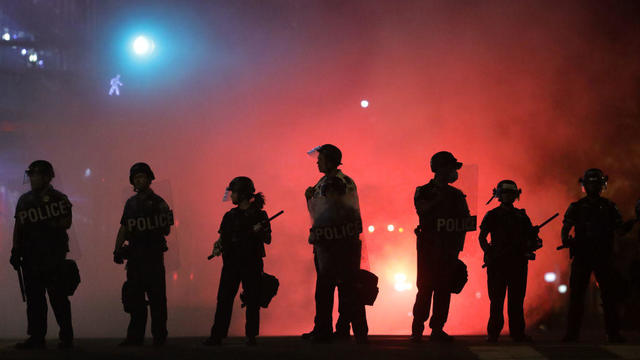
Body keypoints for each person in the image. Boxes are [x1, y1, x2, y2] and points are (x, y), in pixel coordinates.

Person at [561, 168, 636, 343]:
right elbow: (565, 228)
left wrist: (630, 224)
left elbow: (620, 230)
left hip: (602, 256)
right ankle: (573, 333)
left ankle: (612, 333)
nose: (593, 187)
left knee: (608, 297)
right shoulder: (577, 207)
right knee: (577, 297)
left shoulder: (609, 207)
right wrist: (566, 239)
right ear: (585, 185)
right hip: (583, 256)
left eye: (595, 183)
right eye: (591, 183)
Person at [10, 160, 74, 349]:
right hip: (31, 256)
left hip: (53, 255)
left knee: (58, 297)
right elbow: (18, 227)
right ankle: (37, 337)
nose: (32, 178)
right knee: (35, 300)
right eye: (31, 175)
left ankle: (66, 336)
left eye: (36, 175)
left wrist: (48, 225)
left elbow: (67, 222)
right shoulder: (24, 200)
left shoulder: (59, 198)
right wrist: (15, 249)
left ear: (46, 177)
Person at [304, 144, 362, 340]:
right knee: (336, 288)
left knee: (329, 288)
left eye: (321, 159)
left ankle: (327, 330)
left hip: (334, 244)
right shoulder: (339, 181)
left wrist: (310, 200)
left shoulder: (334, 182)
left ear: (330, 161)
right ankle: (337, 328)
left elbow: (330, 212)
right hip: (335, 242)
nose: (317, 162)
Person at [411, 151, 471, 342]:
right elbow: (422, 209)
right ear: (440, 168)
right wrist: (440, 195)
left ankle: (437, 329)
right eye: (451, 168)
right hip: (428, 248)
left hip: (449, 249)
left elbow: (466, 221)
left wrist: (458, 247)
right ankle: (417, 328)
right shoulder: (424, 190)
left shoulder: (457, 194)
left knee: (444, 289)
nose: (454, 172)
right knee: (425, 288)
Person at [204, 177, 271, 346]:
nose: (231, 195)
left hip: (251, 262)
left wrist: (259, 231)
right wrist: (217, 246)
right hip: (231, 263)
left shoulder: (259, 215)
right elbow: (222, 238)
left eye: (233, 192)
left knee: (252, 299)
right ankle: (217, 335)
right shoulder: (230, 216)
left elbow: (268, 239)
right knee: (224, 298)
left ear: (242, 194)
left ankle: (251, 335)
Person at [114, 162, 173, 347]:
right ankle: (135, 337)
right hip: (135, 258)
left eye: (142, 177)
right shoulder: (130, 203)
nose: (139, 180)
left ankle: (159, 337)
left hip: (153, 257)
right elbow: (123, 228)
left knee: (157, 300)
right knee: (135, 300)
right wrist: (116, 249)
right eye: (136, 178)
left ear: (149, 179)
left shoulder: (159, 202)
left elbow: (167, 230)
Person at [309, 176, 368, 344]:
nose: (330, 196)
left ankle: (349, 331)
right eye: (328, 193)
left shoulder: (335, 214)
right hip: (337, 261)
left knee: (346, 297)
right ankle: (339, 331)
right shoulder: (349, 212)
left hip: (337, 261)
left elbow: (314, 238)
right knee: (331, 297)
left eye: (332, 193)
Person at [479, 180, 535, 343]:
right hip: (498, 264)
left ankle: (517, 333)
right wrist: (489, 253)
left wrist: (531, 244)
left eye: (511, 193)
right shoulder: (492, 215)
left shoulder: (522, 216)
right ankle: (494, 333)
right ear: (499, 195)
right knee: (496, 300)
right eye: (506, 193)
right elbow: (482, 237)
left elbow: (532, 239)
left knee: (516, 300)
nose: (509, 196)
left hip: (518, 263)